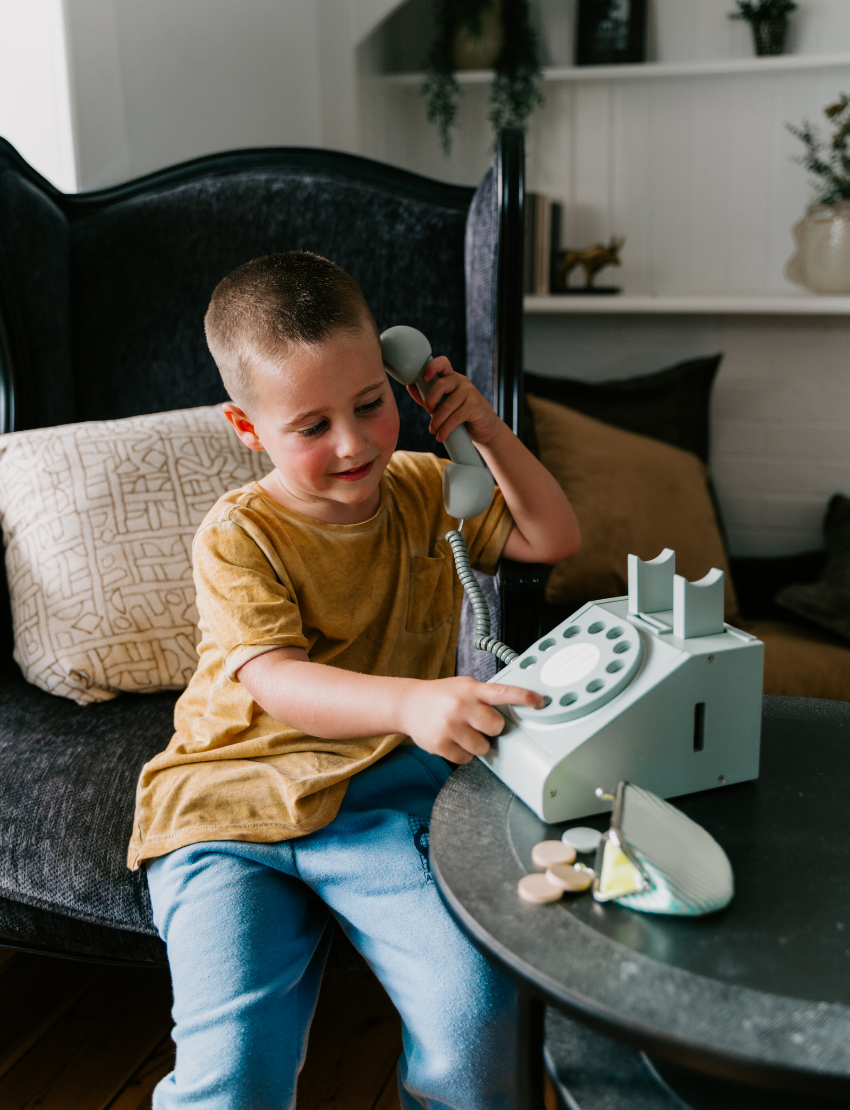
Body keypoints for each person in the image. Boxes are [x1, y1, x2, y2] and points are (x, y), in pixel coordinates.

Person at [128, 251, 580, 1110]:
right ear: (248, 428)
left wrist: (480, 425)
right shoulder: (238, 535)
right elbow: (275, 678)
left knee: (479, 1020)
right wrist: (412, 701)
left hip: (377, 798)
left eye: (372, 403)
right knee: (233, 1075)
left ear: (397, 379)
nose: (355, 443)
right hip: (229, 810)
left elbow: (551, 537)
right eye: (311, 426)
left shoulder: (423, 487)